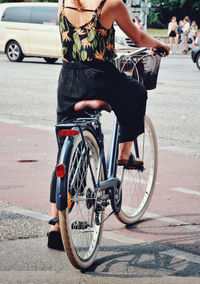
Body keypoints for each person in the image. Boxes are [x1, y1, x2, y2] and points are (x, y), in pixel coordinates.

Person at [48, 0, 169, 250]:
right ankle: (125, 154)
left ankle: (55, 225)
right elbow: (136, 36)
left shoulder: (62, 3)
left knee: (64, 154)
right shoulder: (110, 4)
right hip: (100, 78)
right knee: (136, 92)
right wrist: (158, 44)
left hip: (68, 81)